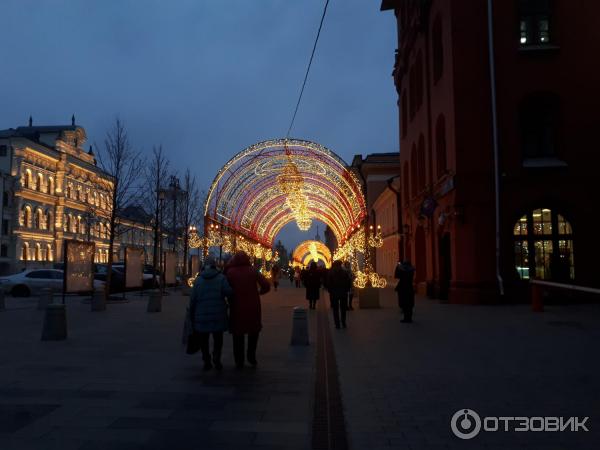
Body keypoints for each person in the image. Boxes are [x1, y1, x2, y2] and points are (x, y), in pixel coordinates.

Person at [225, 251, 270, 369]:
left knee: (237, 335)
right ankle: (251, 356)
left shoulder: (230, 272)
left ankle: (239, 360)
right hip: (253, 306)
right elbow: (266, 285)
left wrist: (229, 298)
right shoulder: (253, 270)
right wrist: (260, 292)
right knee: (253, 332)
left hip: (236, 307)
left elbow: (225, 289)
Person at [189, 256, 232, 371]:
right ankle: (217, 357)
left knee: (204, 339)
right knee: (218, 338)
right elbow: (229, 293)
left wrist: (191, 314)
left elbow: (192, 299)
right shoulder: (221, 278)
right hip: (218, 314)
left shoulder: (198, 280)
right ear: (215, 266)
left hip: (201, 315)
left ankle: (206, 359)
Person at [326, 260, 352, 329]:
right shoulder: (344, 272)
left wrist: (330, 291)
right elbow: (348, 282)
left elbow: (328, 283)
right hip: (343, 293)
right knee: (343, 309)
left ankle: (337, 324)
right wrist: (346, 290)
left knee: (335, 309)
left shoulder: (331, 272)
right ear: (341, 265)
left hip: (334, 293)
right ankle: (343, 323)